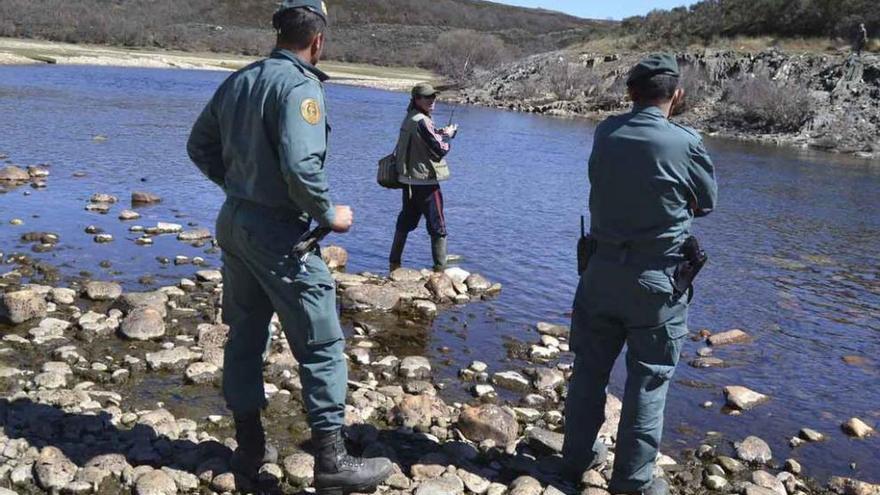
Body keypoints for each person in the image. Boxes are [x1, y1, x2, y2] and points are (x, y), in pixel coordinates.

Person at [186, 1, 393, 492]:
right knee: (322, 344)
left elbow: (199, 145)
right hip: (279, 233)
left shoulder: (241, 79)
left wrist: (239, 187)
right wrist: (329, 214)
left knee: (244, 335)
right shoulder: (301, 87)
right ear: (318, 40)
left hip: (235, 222)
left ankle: (251, 447)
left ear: (279, 33)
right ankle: (332, 462)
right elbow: (302, 168)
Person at [562, 54, 717, 495]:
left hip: (599, 272)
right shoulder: (686, 141)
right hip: (657, 281)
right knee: (648, 381)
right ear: (677, 94)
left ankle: (572, 463)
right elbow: (707, 203)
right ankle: (633, 482)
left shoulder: (605, 131)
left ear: (630, 93)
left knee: (589, 372)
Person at [388, 83, 458, 272]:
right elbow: (439, 150)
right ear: (417, 99)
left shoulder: (410, 117)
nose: (432, 100)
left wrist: (441, 133)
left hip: (408, 181)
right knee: (438, 225)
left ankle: (394, 261)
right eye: (427, 97)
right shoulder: (422, 121)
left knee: (406, 220)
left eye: (433, 97)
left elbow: (424, 138)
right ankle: (440, 268)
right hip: (424, 182)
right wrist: (450, 137)